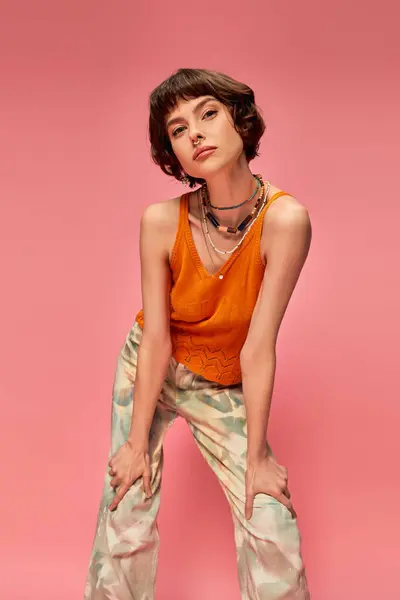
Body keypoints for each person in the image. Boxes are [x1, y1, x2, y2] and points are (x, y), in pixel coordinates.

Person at [84, 67, 312, 599]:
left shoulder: (285, 221)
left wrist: (257, 458)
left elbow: (258, 347)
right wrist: (137, 443)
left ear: (240, 119)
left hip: (223, 378)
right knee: (126, 502)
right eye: (178, 130)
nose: (196, 134)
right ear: (173, 155)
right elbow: (158, 338)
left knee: (270, 516)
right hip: (151, 365)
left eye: (208, 113)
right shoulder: (160, 221)